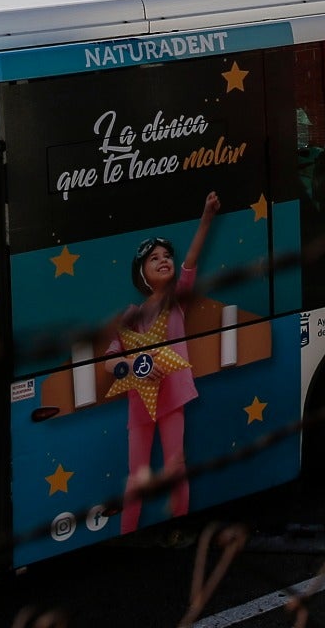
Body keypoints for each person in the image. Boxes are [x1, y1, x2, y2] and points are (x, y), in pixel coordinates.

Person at [106, 191, 220, 533]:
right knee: (137, 474)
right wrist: (135, 361)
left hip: (173, 396)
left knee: (176, 464)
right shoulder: (131, 315)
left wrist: (207, 216)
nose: (163, 260)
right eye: (154, 258)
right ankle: (129, 532)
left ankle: (178, 527)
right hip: (140, 401)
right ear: (141, 273)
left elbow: (192, 260)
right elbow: (109, 362)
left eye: (166, 255)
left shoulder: (177, 299)